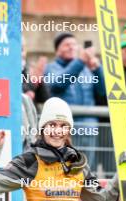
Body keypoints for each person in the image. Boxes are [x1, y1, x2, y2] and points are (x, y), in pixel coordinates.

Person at [45, 32, 106, 169]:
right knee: (64, 169)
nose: (71, 47)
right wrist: (80, 62)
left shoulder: (86, 68)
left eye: (74, 44)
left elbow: (103, 92)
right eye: (67, 45)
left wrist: (97, 69)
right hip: (66, 131)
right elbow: (57, 84)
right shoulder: (52, 68)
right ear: (57, 50)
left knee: (86, 170)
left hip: (89, 128)